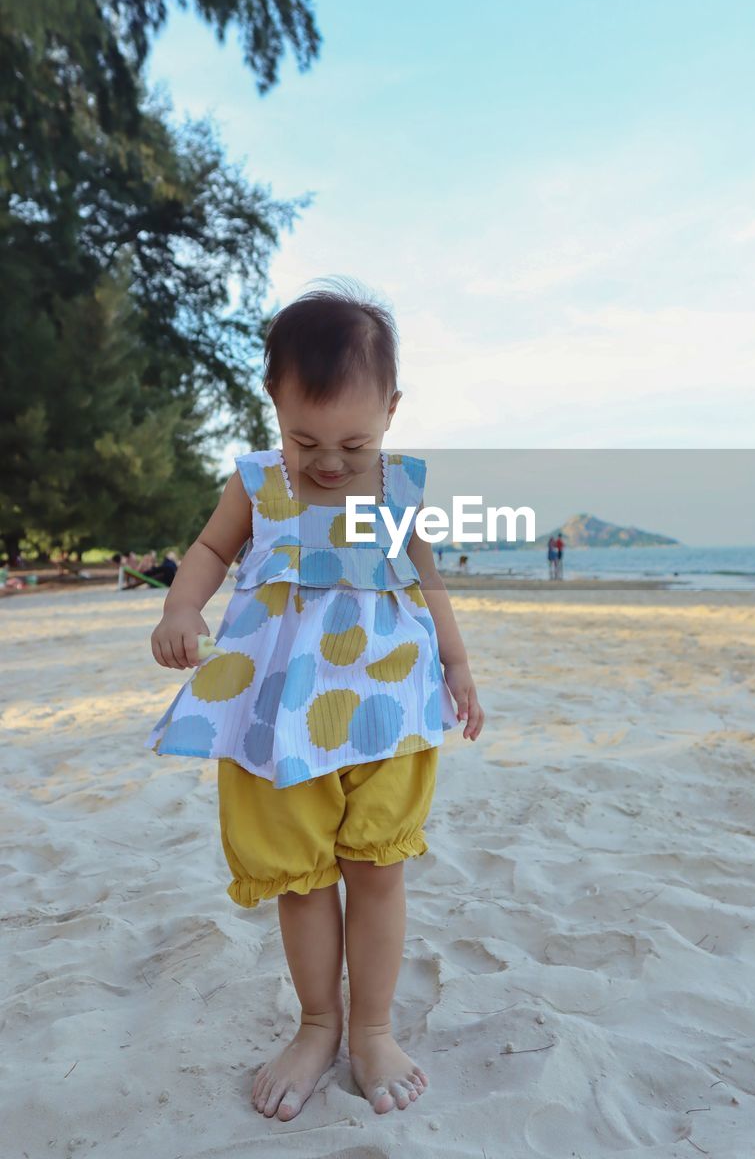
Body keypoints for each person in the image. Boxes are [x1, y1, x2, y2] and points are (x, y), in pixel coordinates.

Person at [144, 279, 485, 1124]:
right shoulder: (259, 484)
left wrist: (459, 668)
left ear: (392, 411)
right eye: (305, 438)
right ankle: (318, 1023)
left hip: (389, 708)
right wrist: (180, 607)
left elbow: (429, 584)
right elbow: (209, 550)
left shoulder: (396, 491)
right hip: (278, 716)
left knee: (377, 868)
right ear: (274, 403)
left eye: (352, 441)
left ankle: (372, 1028)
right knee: (301, 879)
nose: (328, 461)